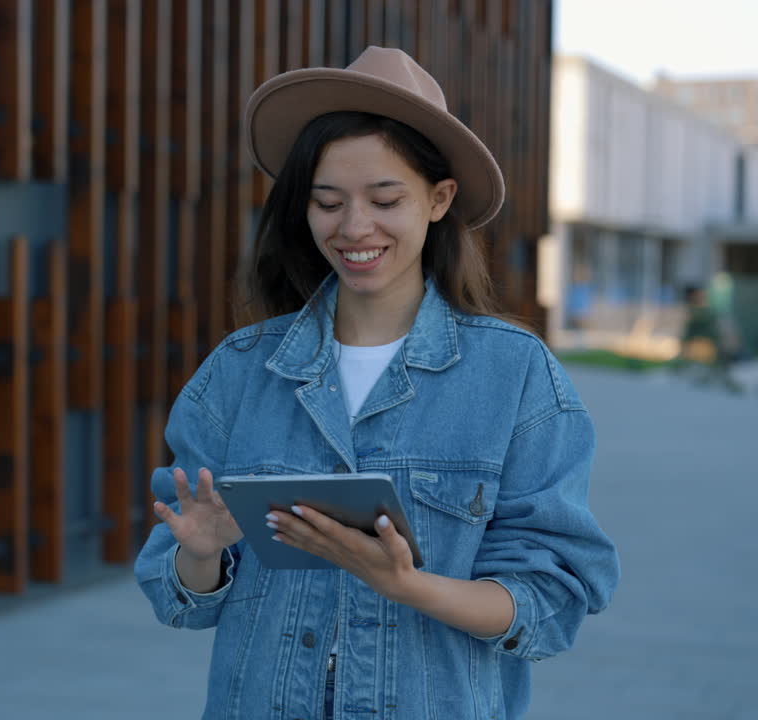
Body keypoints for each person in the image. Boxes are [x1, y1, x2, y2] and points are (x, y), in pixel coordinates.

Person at [134, 47, 620, 720]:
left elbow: (553, 599)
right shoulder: (239, 369)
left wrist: (406, 585)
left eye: (385, 199)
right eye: (327, 203)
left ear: (439, 199)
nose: (354, 228)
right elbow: (180, 598)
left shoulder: (515, 375)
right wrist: (201, 553)